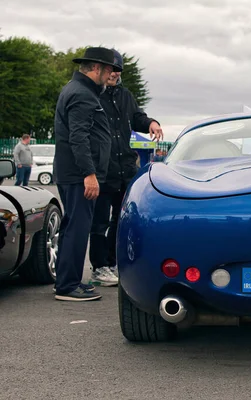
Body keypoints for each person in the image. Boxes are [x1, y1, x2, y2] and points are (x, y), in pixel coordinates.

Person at [52, 47, 122, 301]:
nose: (110, 75)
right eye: (108, 70)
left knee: (74, 227)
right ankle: (67, 286)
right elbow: (78, 137)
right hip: (78, 175)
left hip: (73, 173)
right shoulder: (82, 94)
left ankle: (66, 281)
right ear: (96, 68)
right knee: (77, 229)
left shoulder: (79, 90)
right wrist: (89, 174)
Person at [88, 49, 163, 286]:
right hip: (103, 169)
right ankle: (99, 267)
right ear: (103, 70)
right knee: (99, 222)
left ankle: (113, 262)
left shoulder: (125, 96)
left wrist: (151, 122)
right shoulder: (92, 95)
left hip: (125, 168)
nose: (114, 74)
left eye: (118, 70)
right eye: (111, 70)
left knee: (120, 220)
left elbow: (138, 117)